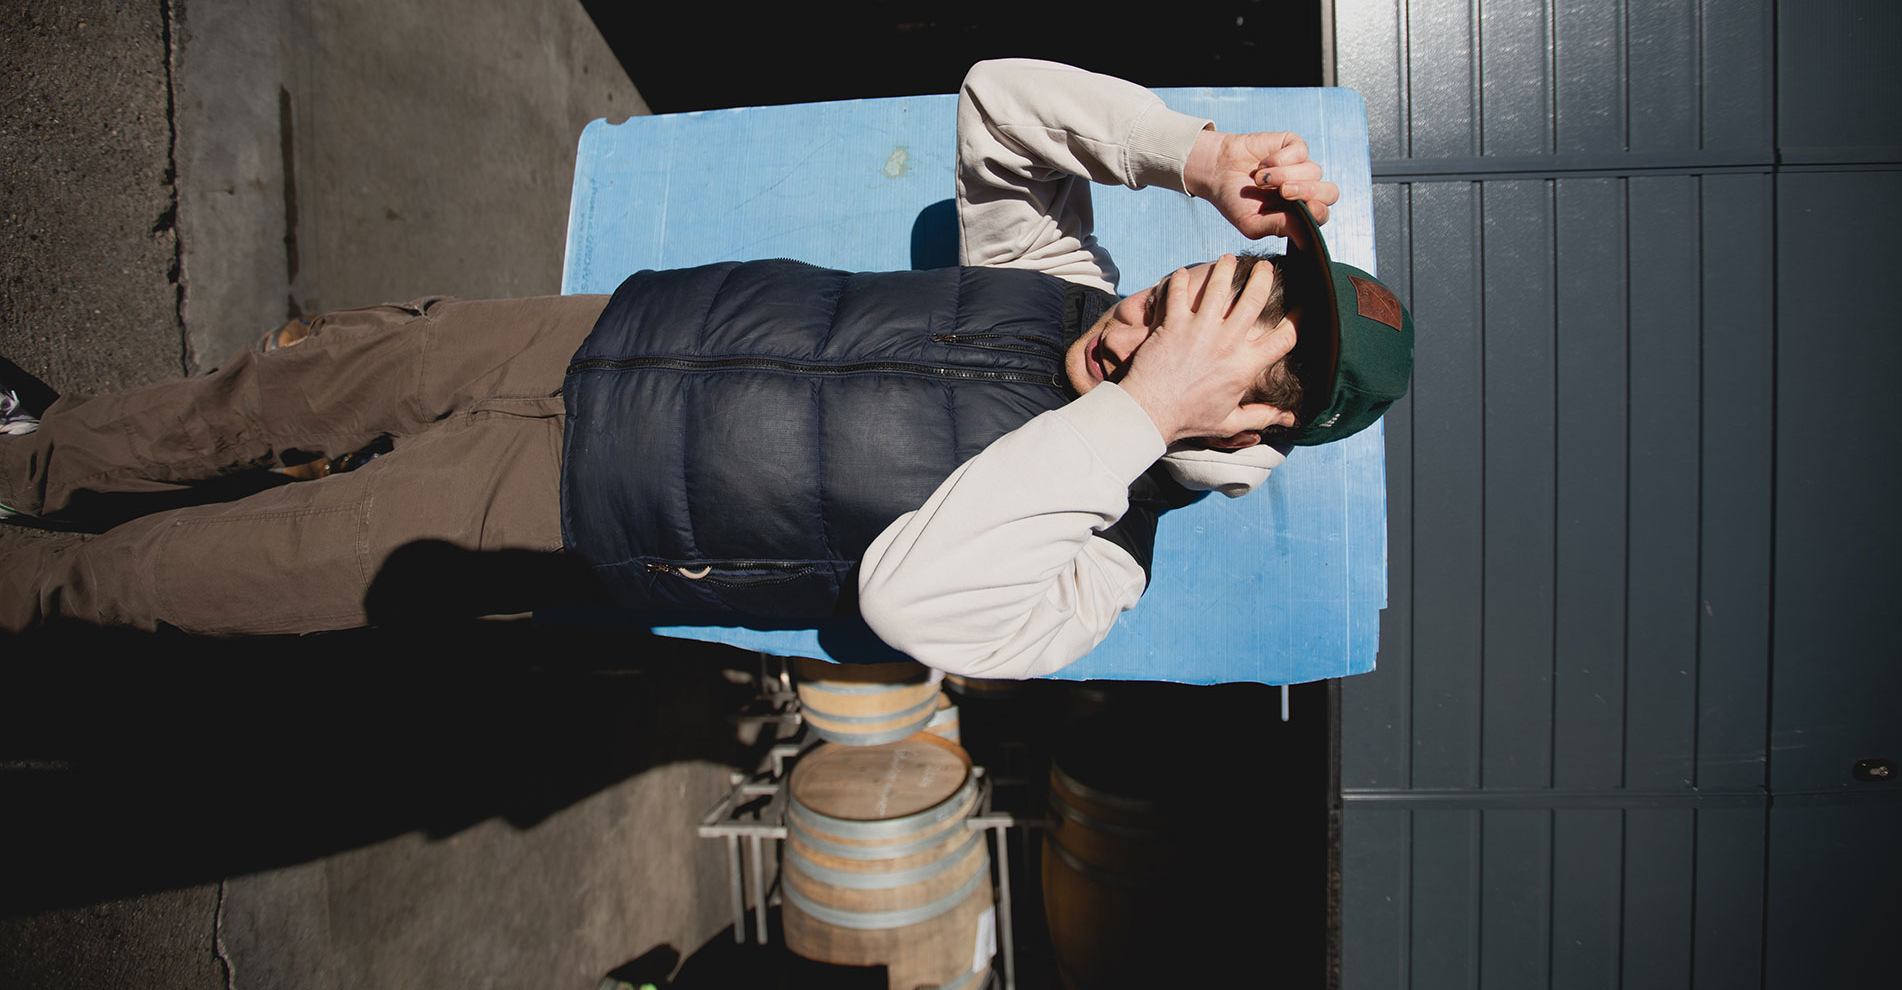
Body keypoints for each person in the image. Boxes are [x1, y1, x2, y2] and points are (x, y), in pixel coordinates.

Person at [0, 60, 1411, 678]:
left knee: (196, 574)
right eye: (1172, 289)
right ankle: (38, 456)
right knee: (285, 385)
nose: (1139, 322)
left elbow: (909, 598)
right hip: (590, 334)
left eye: (1185, 344)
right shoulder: (1058, 280)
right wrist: (1194, 155)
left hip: (560, 505)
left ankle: (26, 586)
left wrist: (1137, 414)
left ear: (1243, 426)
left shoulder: (1097, 574)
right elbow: (998, 104)